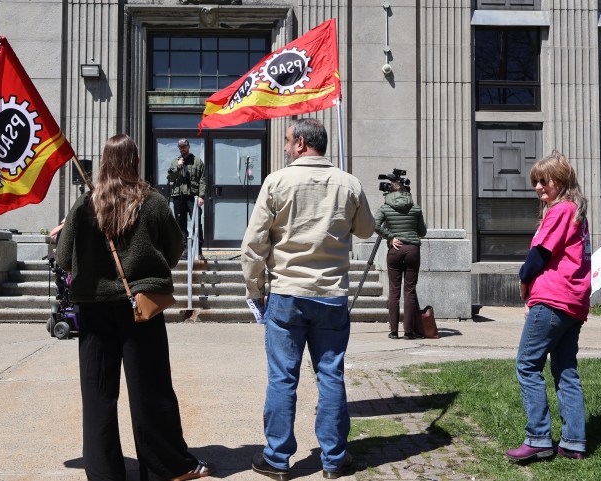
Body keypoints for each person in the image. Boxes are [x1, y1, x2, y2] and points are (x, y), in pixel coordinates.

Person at [56, 134, 215, 481]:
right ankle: (165, 467)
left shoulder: (85, 205)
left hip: (94, 308)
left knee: (98, 393)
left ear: (104, 161)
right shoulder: (153, 202)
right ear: (135, 161)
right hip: (140, 306)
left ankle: (103, 473)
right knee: (150, 389)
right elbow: (174, 249)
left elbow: (65, 259)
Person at [241, 119, 375, 480]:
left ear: (300, 143)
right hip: (331, 294)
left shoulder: (277, 181)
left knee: (283, 377)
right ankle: (334, 459)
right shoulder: (348, 183)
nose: (285, 147)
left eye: (287, 141)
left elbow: (253, 245)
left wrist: (255, 290)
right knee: (330, 375)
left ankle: (278, 457)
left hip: (287, 293)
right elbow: (366, 229)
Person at [505, 151, 590, 462]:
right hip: (575, 302)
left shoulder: (559, 211)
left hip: (552, 299)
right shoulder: (578, 213)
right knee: (565, 369)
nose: (539, 187)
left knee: (527, 365)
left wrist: (524, 283)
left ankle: (539, 437)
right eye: (535, 182)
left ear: (562, 181)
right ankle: (574, 442)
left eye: (545, 180)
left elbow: (537, 257)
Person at [374, 181, 427, 340]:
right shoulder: (415, 207)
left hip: (395, 250)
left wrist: (390, 237)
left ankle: (394, 331)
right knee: (409, 291)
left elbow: (375, 226)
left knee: (394, 291)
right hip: (412, 250)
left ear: (389, 192)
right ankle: (409, 332)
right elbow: (422, 232)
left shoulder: (385, 207)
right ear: (405, 191)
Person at [166, 138, 206, 258]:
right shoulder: (175, 162)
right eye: (180, 147)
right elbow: (170, 178)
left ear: (189, 147)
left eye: (184, 147)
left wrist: (201, 196)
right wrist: (178, 168)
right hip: (178, 196)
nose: (182, 149)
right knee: (180, 224)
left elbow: (202, 180)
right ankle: (183, 249)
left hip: (193, 196)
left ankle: (198, 250)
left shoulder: (197, 161)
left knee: (196, 222)